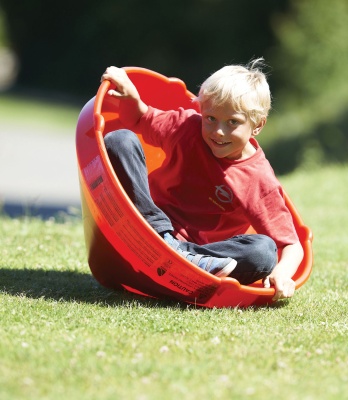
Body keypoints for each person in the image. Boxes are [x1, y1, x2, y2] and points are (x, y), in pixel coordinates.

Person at [101, 59, 303, 301]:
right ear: (202, 111)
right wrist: (130, 96)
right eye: (210, 118)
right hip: (146, 225)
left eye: (233, 123)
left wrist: (282, 273)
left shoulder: (257, 178)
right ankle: (163, 243)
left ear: (257, 126)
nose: (218, 131)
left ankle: (180, 256)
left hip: (201, 254)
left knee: (263, 253)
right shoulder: (187, 127)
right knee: (118, 140)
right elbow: (139, 119)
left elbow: (291, 245)